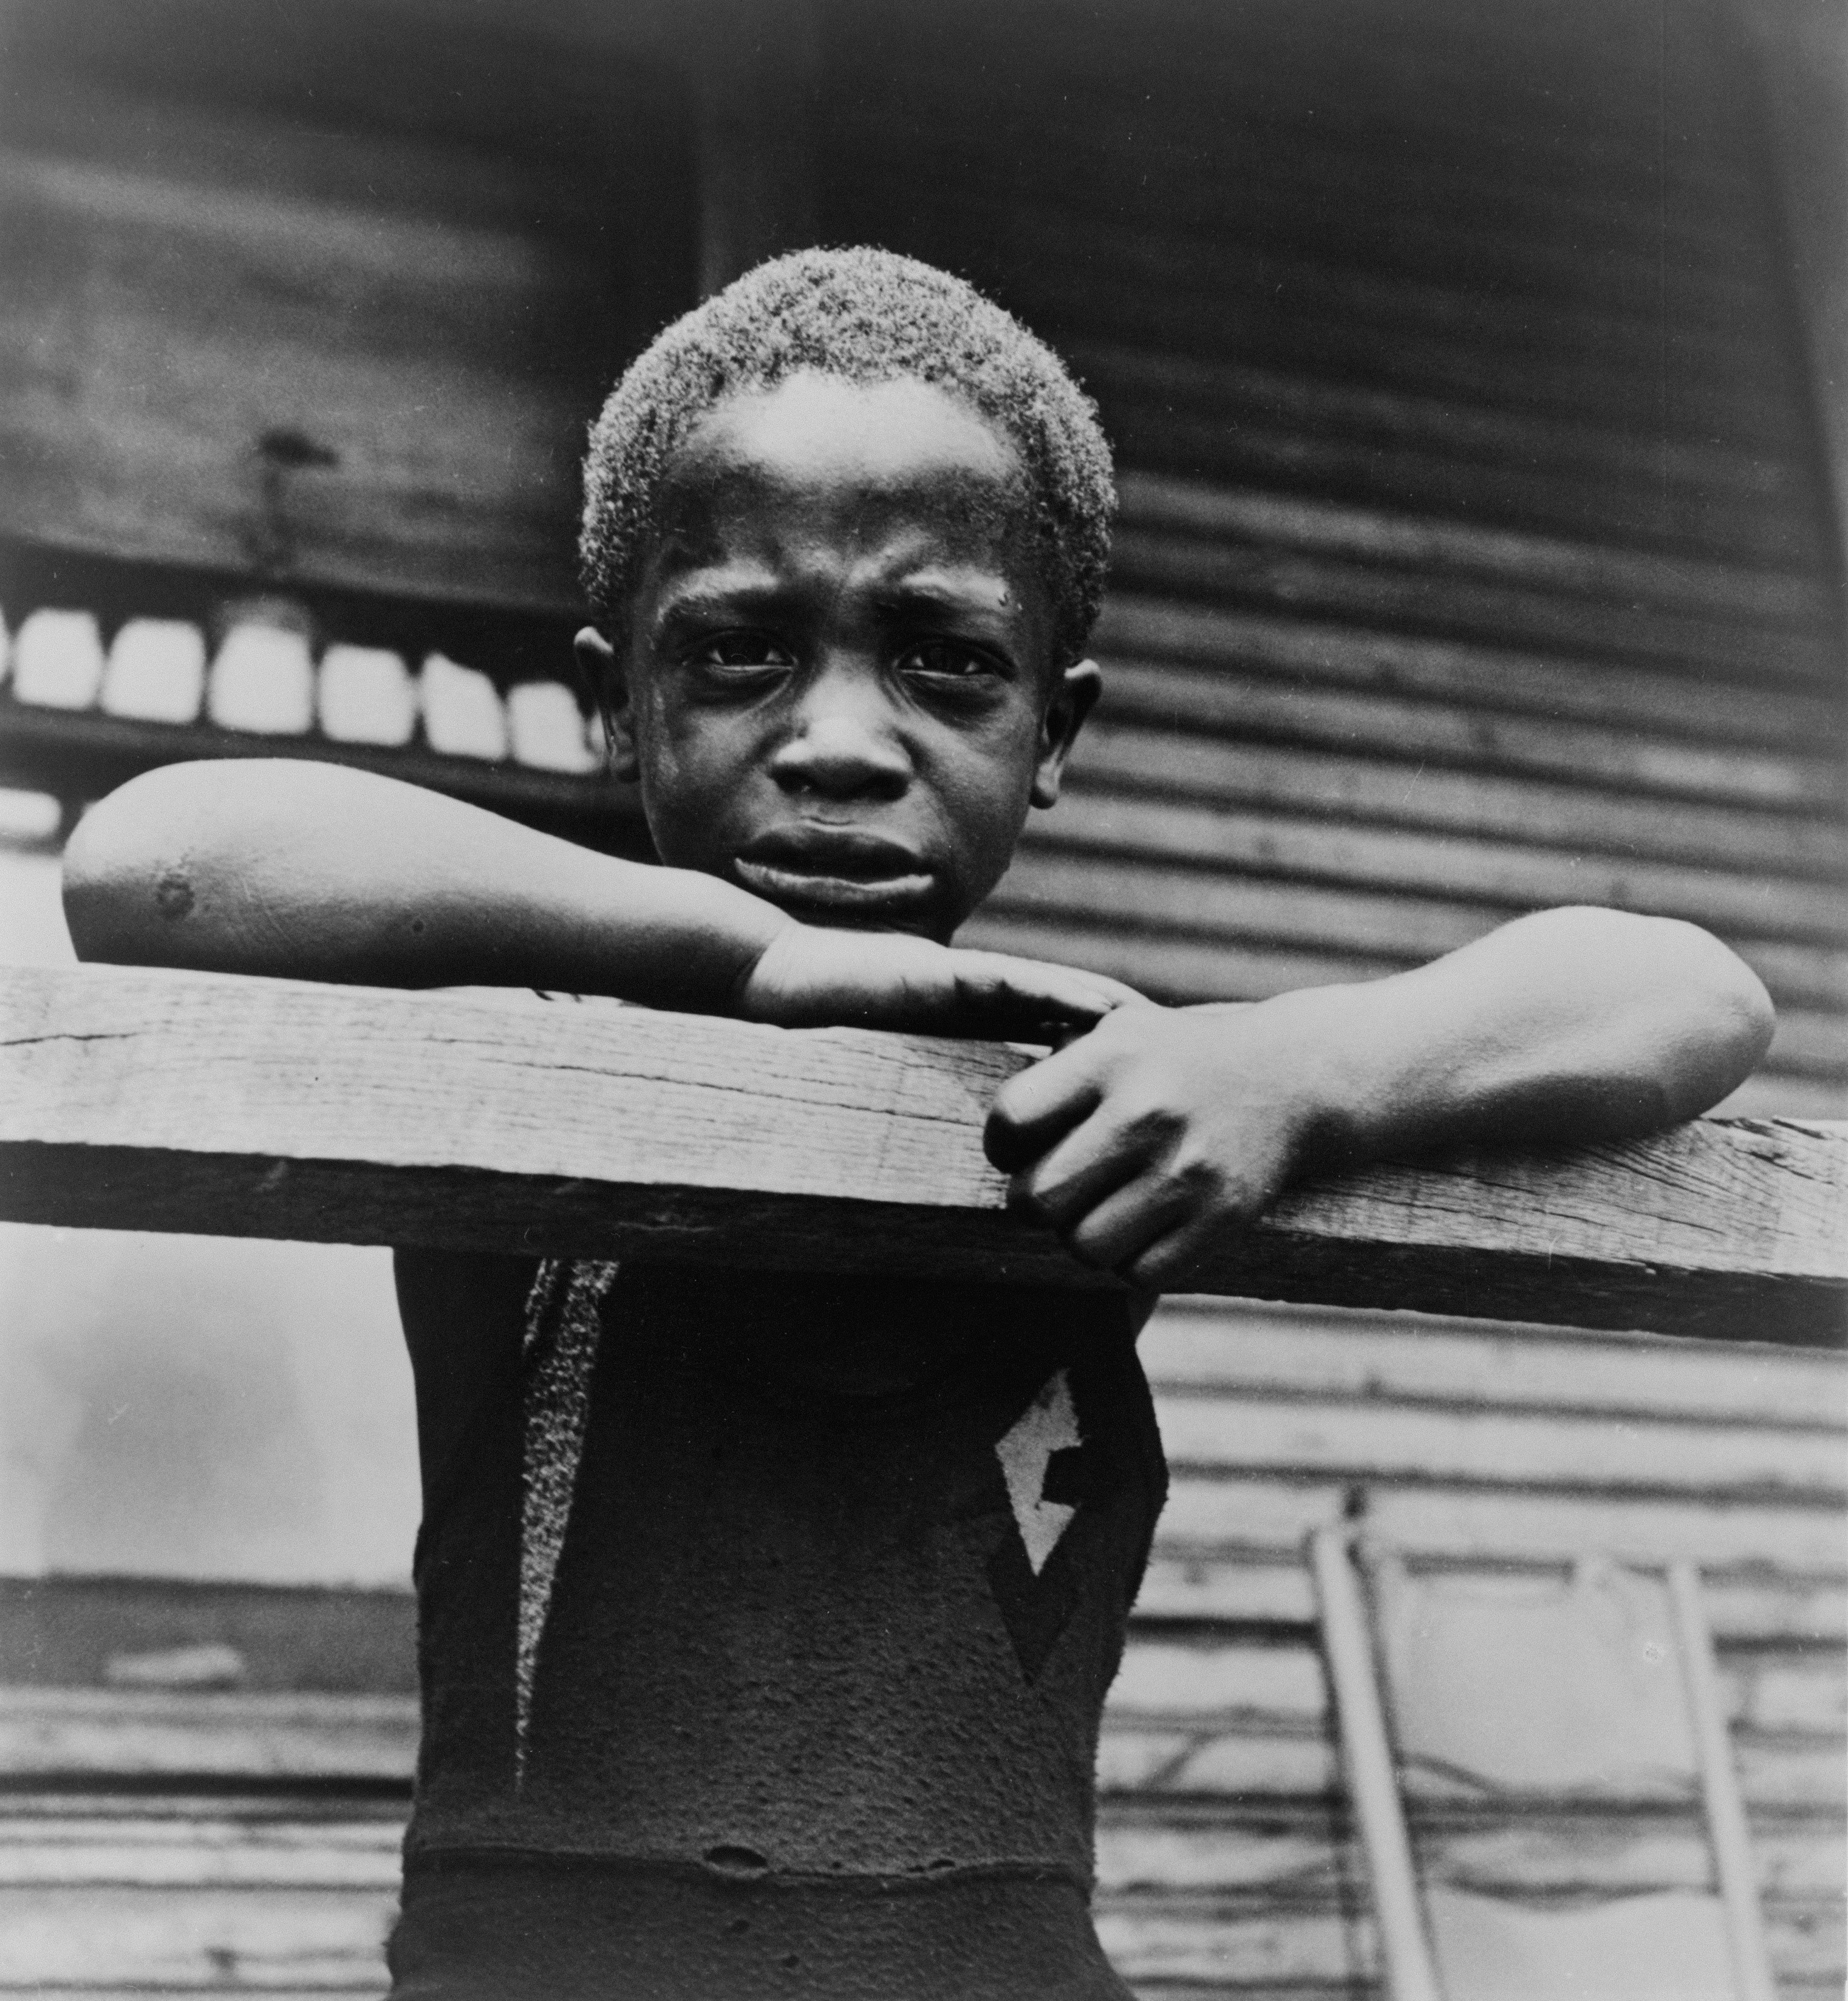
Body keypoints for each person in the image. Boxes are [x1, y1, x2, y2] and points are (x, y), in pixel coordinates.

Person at [61, 248, 1774, 1999]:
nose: (836, 743)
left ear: (1054, 729)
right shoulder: (534, 1046)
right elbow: (157, 864)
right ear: (615, 698)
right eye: (737, 651)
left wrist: (1303, 1074)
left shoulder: (1108, 1074)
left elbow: (1689, 993)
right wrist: (752, 963)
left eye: (944, 662)